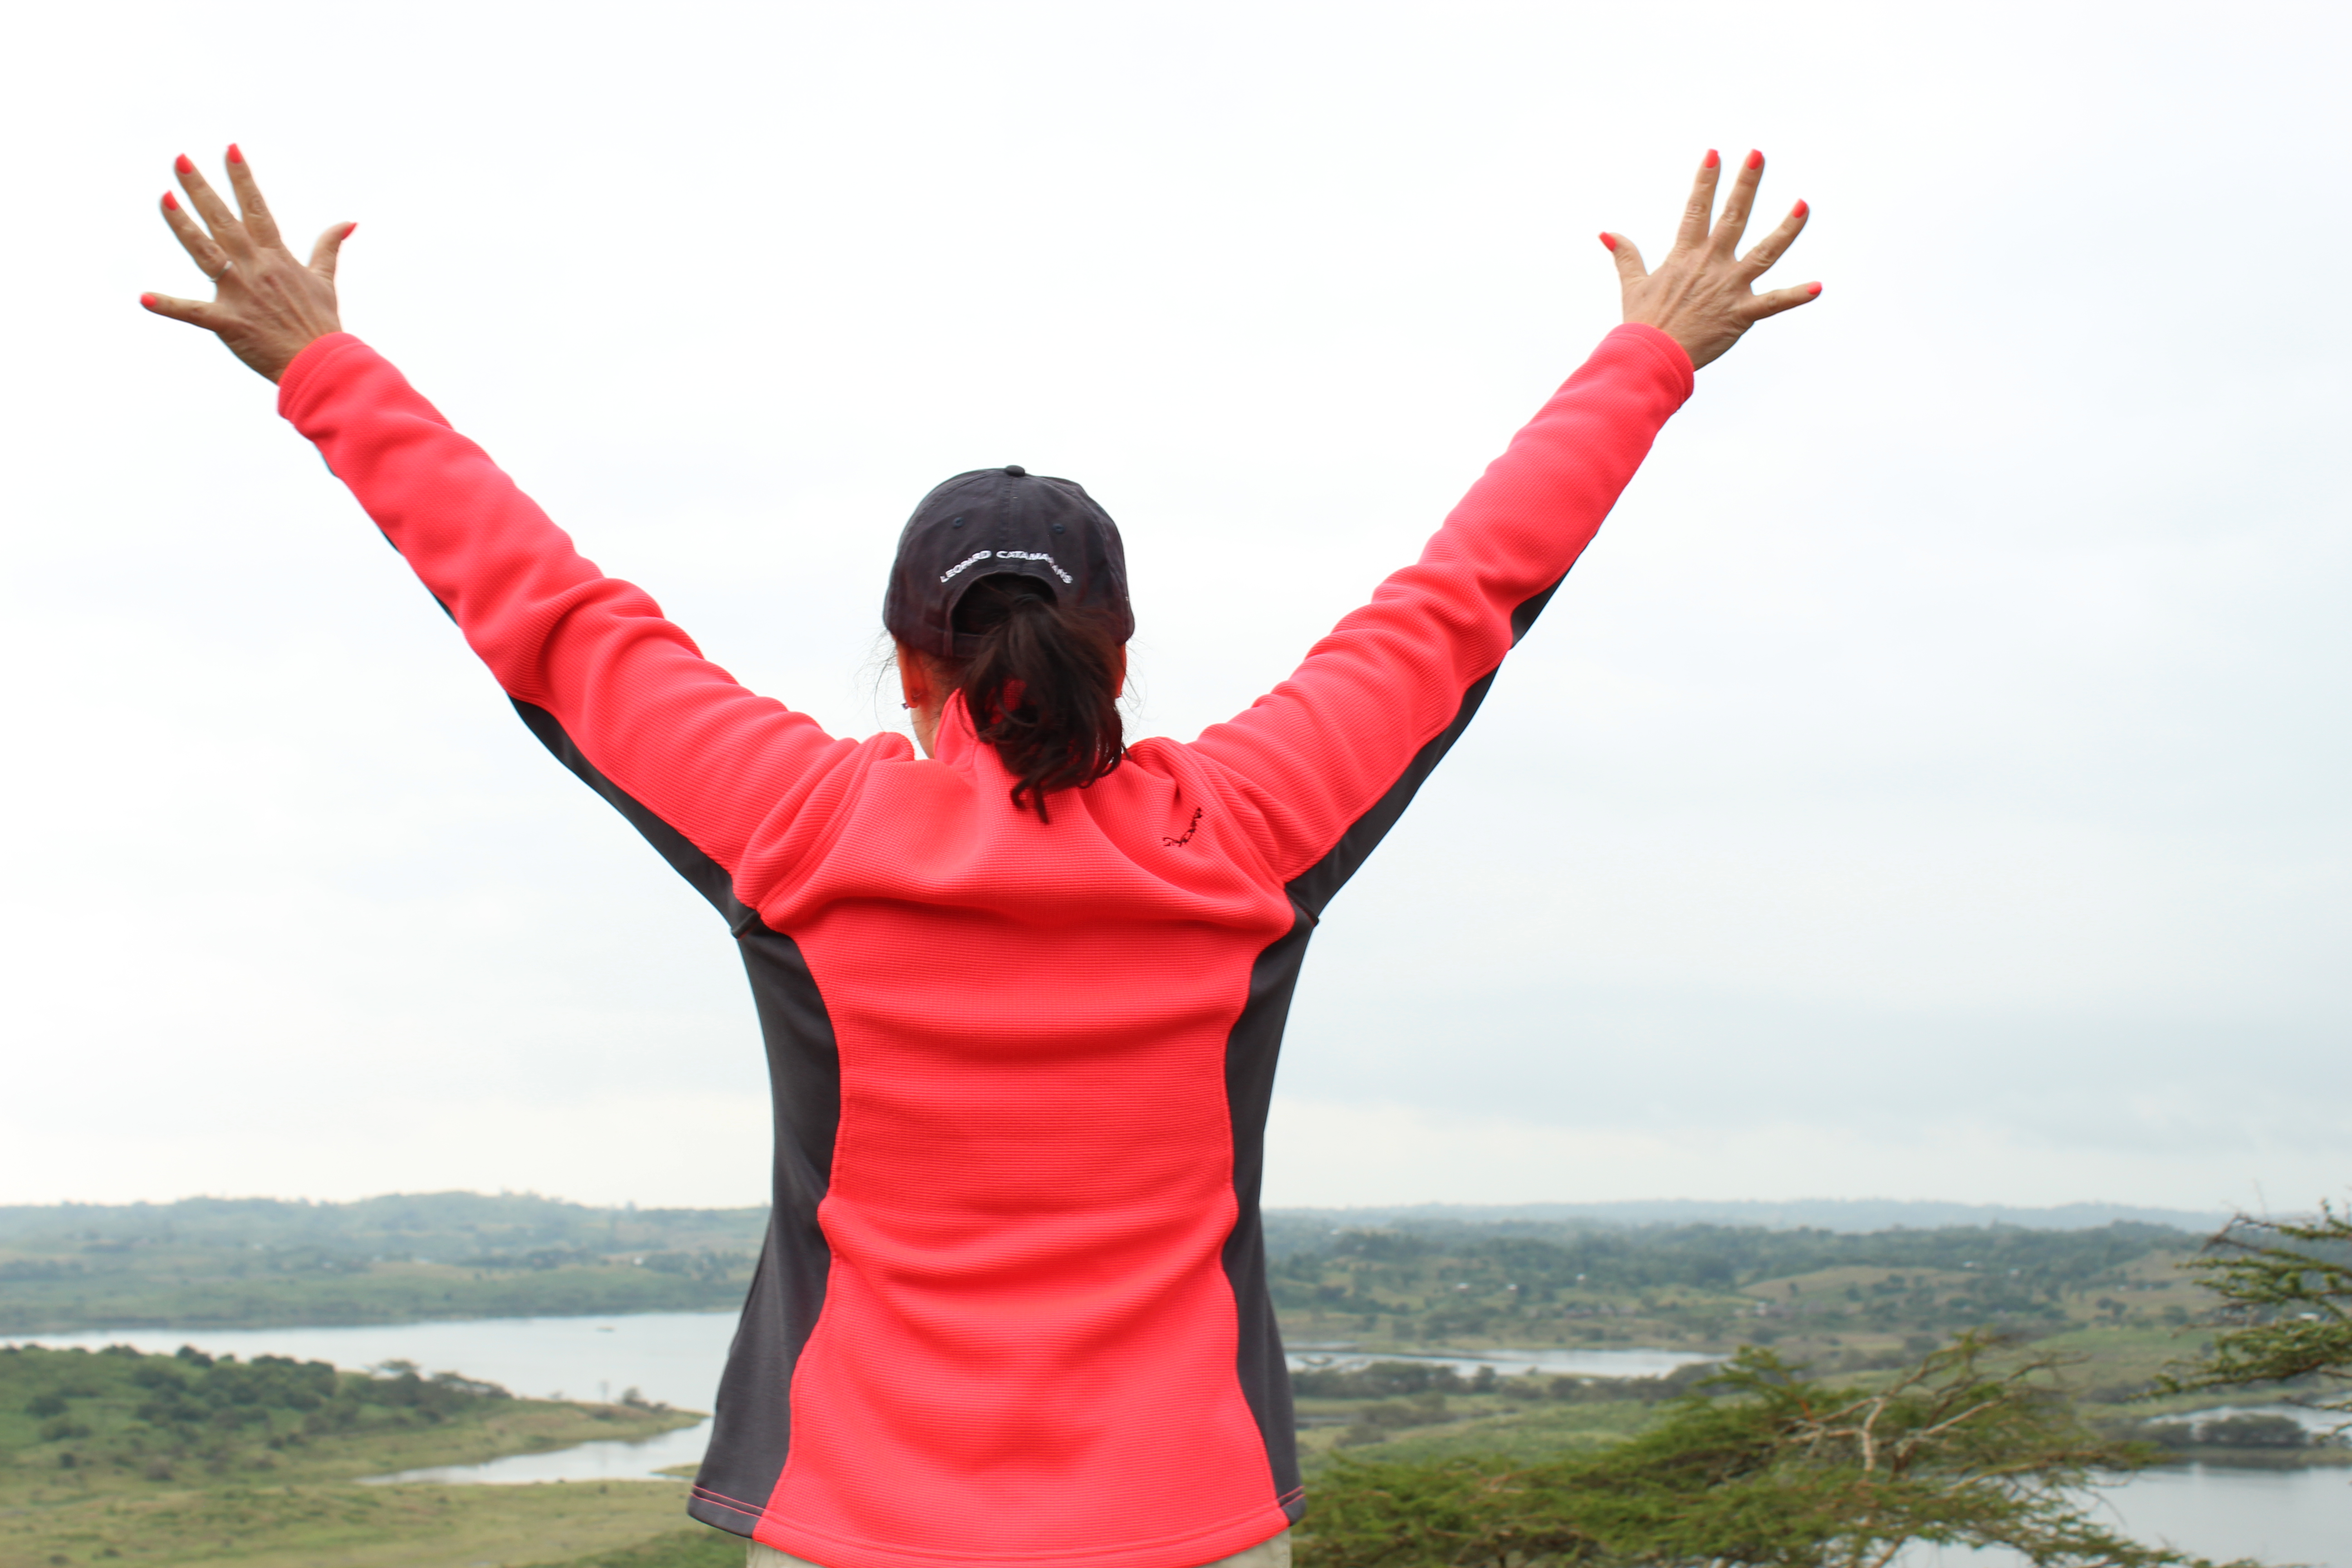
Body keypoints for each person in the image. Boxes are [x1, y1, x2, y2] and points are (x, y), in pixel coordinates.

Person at [141, 144, 1817, 1568]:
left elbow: (554, 620)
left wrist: (322, 365)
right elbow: (1466, 599)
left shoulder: (802, 832)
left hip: (858, 1523)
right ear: (1123, 642)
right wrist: (1651, 352)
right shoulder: (1242, 838)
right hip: (1194, 1525)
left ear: (908, 663)